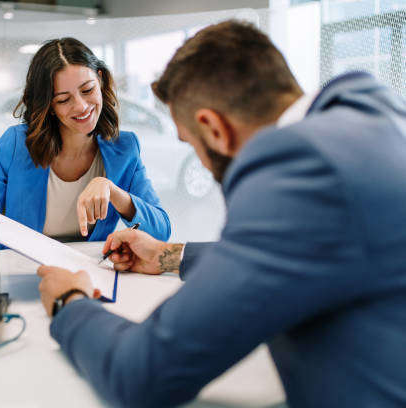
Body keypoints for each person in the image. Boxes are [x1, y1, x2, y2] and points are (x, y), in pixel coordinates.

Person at [36, 21, 406, 408]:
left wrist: (71, 301)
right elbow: (296, 250)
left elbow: (141, 373)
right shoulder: (367, 108)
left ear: (214, 129)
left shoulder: (299, 176)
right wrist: (168, 254)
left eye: (189, 142)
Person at [0, 38, 170, 242]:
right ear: (49, 105)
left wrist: (113, 192)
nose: (81, 106)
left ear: (100, 80)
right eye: (63, 99)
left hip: (88, 271)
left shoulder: (125, 148)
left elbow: (161, 231)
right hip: (24, 269)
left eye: (87, 90)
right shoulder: (16, 144)